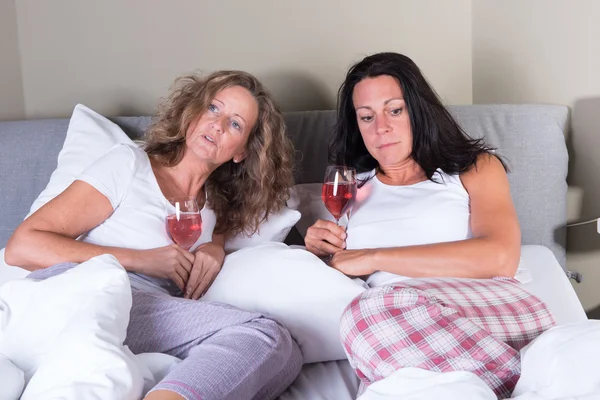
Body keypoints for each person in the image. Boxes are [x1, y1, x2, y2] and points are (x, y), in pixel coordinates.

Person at [5, 70, 302, 400]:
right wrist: (142, 260)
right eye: (213, 109)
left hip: (138, 313)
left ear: (241, 151)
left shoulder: (215, 209)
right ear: (192, 116)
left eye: (235, 124)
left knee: (285, 361)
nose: (217, 125)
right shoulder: (129, 165)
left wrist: (215, 248)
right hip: (87, 291)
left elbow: (223, 231)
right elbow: (22, 246)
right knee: (264, 336)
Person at [304, 52, 555, 398]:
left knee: (366, 315)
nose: (381, 128)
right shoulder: (352, 188)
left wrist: (375, 257)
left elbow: (499, 257)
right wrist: (318, 254)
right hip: (398, 332)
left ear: (418, 110)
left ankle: (540, 384)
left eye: (395, 110)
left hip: (491, 307)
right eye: (366, 117)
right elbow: (336, 275)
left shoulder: (473, 168)